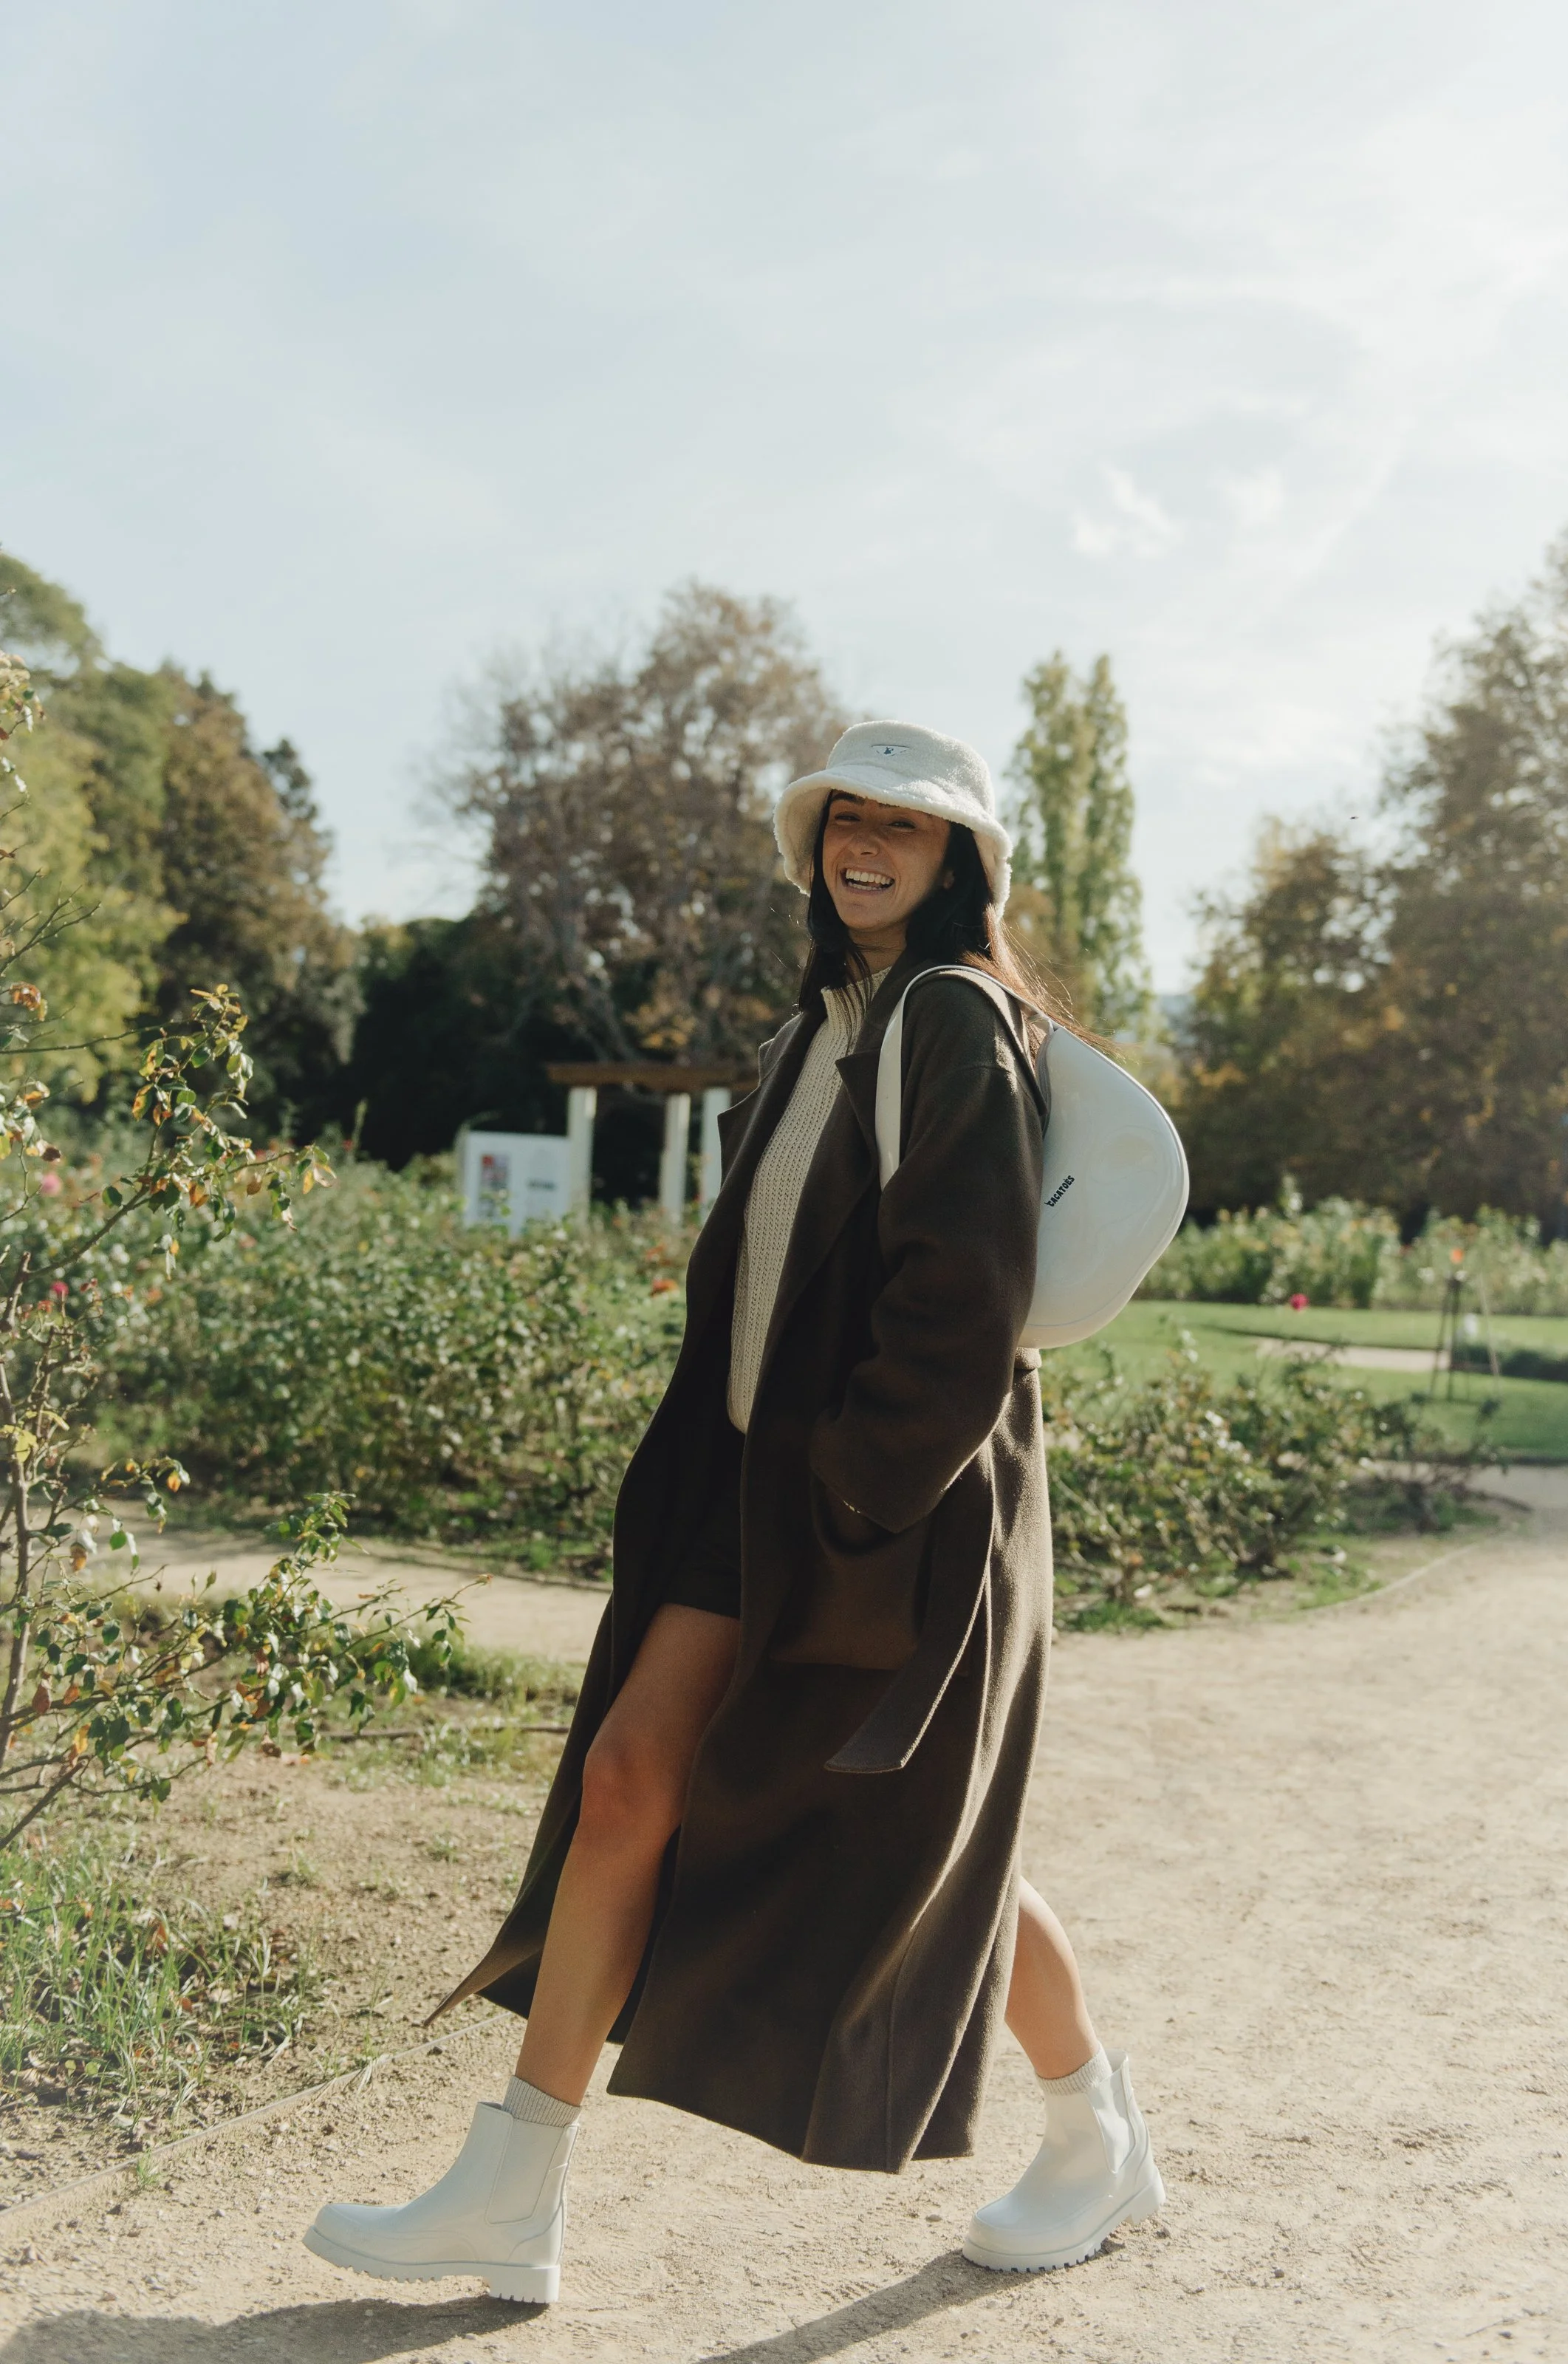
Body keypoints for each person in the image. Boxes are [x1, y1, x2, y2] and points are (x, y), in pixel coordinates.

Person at [304, 721, 1164, 2304]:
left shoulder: (951, 1019)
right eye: (844, 819)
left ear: (956, 858)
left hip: (884, 1506)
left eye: (901, 827)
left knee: (917, 1839)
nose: (864, 844)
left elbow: (961, 1302)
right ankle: (514, 2185)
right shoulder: (817, 1031)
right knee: (632, 1775)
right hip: (752, 1495)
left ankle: (1090, 2134)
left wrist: (852, 1479)